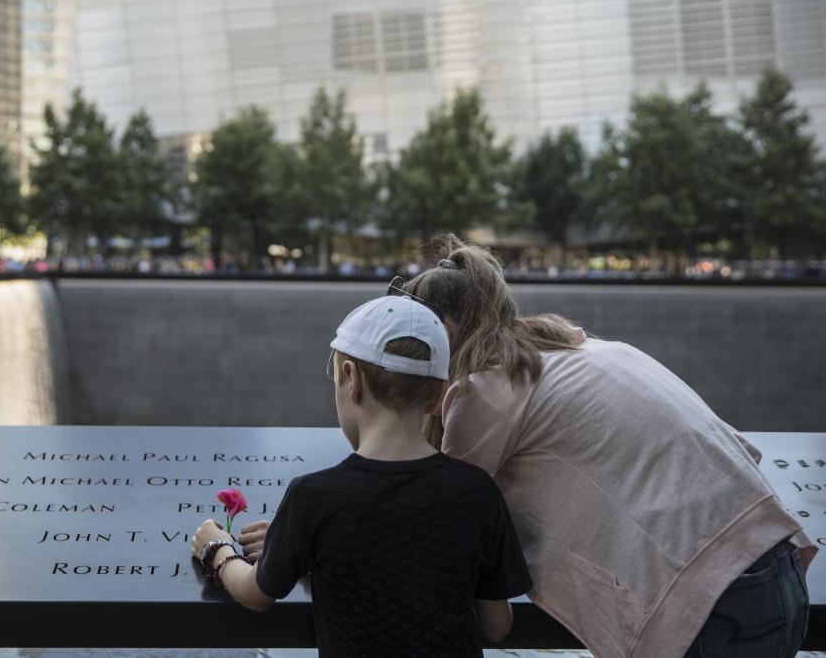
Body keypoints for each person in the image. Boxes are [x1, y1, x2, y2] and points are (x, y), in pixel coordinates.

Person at [397, 234, 816, 658]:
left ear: (442, 334)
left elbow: (439, 521)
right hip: (778, 566)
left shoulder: (486, 390)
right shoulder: (592, 349)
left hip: (705, 605)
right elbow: (737, 448)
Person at [191, 295, 532, 657]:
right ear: (437, 398)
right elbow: (497, 626)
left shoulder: (314, 497)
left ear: (351, 379)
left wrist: (218, 550)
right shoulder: (476, 492)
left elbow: (255, 595)